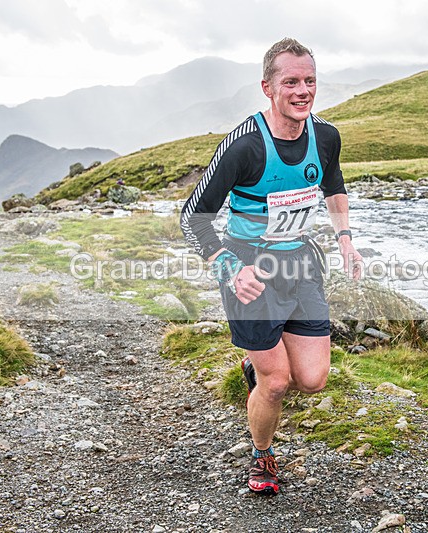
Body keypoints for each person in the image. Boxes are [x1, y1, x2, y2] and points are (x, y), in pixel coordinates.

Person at [180, 37, 362, 495]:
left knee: (313, 380)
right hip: (249, 270)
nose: (303, 91)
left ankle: (256, 365)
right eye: (291, 82)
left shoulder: (326, 136)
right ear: (268, 87)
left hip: (301, 262)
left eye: (310, 81)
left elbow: (333, 181)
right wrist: (226, 265)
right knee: (277, 382)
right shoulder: (244, 146)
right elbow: (192, 216)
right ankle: (262, 457)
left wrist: (345, 239)